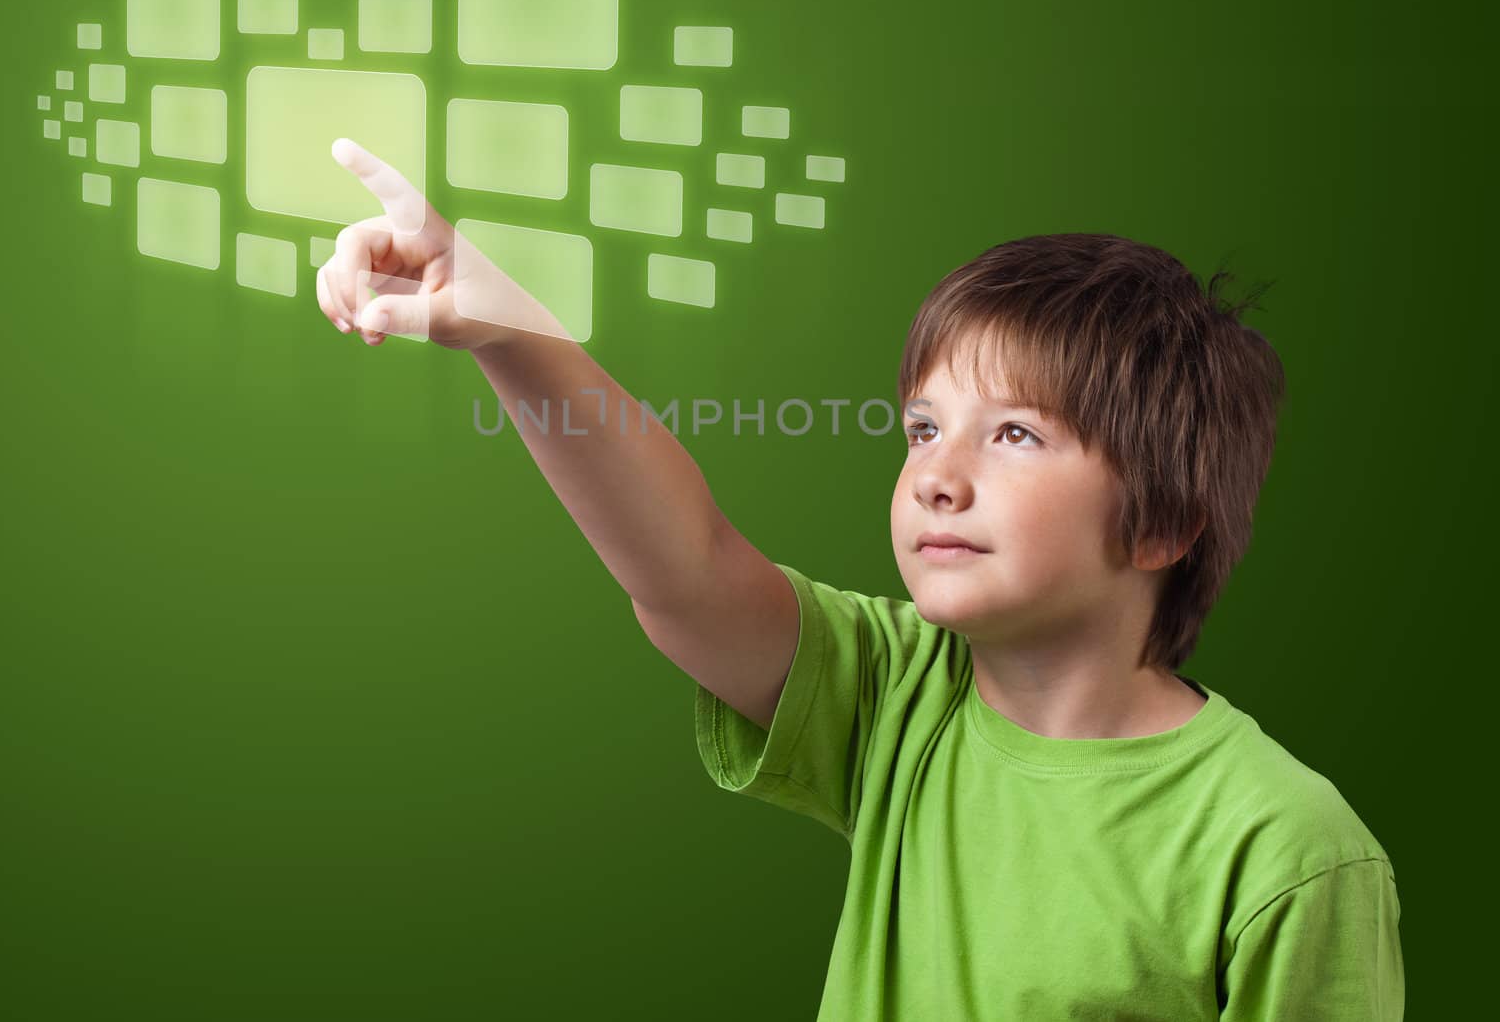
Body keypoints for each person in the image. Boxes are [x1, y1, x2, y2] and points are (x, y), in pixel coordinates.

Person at [316, 138, 1404, 1020]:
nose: (936, 473)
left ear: (1164, 521)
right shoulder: (898, 691)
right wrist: (509, 329)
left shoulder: (1288, 848)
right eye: (924, 426)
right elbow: (684, 568)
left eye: (1017, 433)